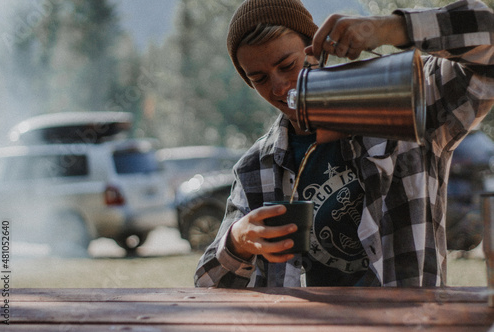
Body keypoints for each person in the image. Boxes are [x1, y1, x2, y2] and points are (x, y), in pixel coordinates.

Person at [195, 0, 494, 288]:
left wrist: (390, 29)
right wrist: (237, 241)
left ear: (314, 52)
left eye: (287, 65)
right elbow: (208, 284)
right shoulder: (257, 168)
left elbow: (488, 44)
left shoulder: (406, 108)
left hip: (407, 323)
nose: (278, 87)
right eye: (259, 78)